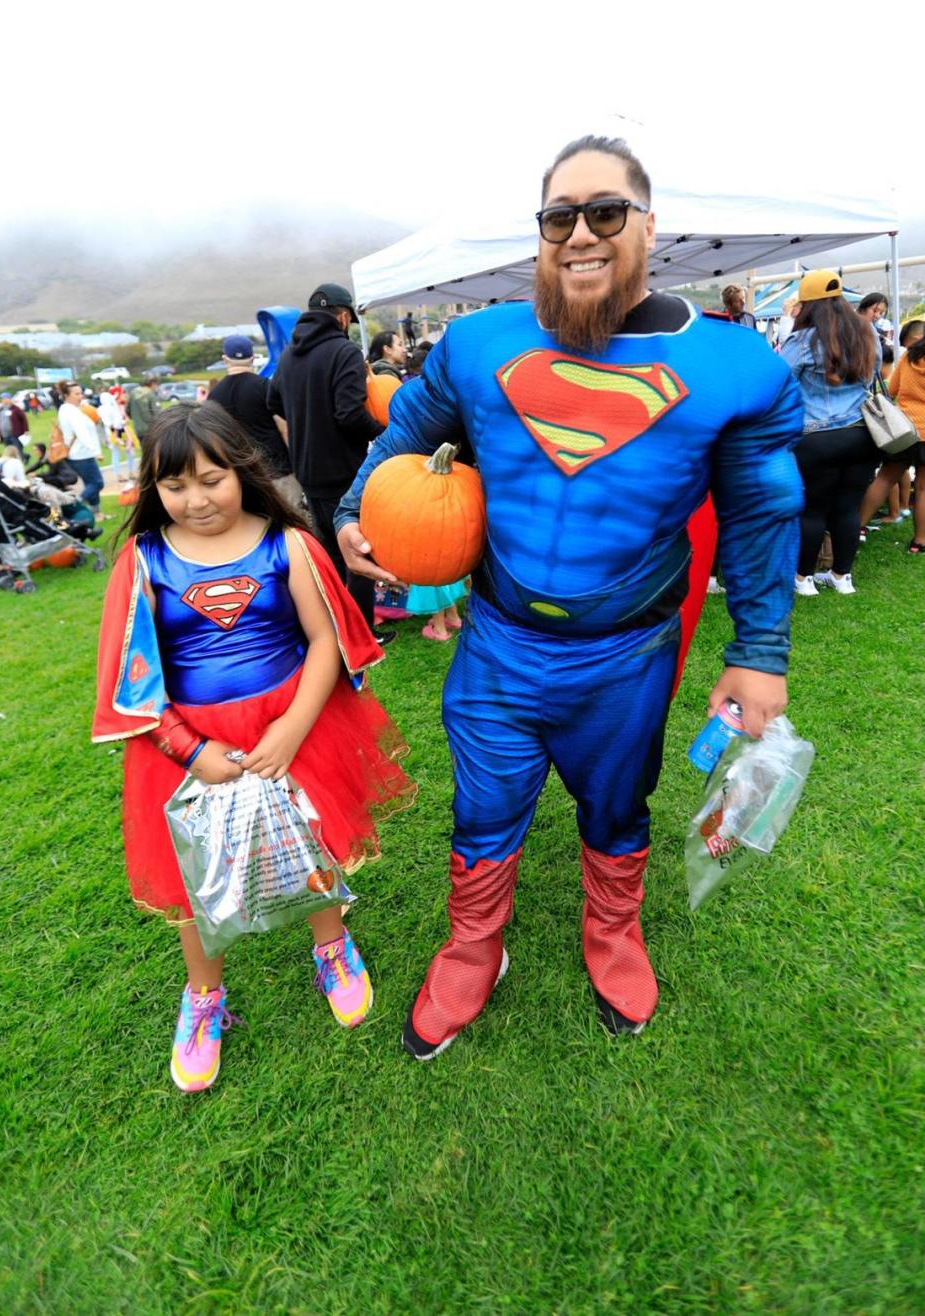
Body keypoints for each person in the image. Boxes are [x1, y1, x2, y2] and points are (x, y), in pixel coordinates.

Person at [336, 134, 804, 1058]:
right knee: (484, 807)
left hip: (625, 655)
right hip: (500, 647)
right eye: (559, 216)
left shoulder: (734, 366)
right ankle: (473, 947)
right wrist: (357, 512)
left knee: (618, 803)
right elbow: (402, 440)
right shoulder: (477, 344)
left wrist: (760, 653)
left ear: (648, 227)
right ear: (540, 233)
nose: (580, 233)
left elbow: (760, 518)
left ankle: (612, 934)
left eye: (605, 212)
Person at [91, 402, 413, 1092]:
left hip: (293, 727)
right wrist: (188, 749)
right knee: (192, 880)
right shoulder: (144, 561)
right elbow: (135, 680)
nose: (196, 499)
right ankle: (203, 997)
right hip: (189, 746)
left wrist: (293, 728)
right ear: (152, 489)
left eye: (211, 479)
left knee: (308, 845)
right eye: (174, 486)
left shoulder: (286, 544)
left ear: (242, 469)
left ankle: (332, 945)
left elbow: (325, 638)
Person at [267, 282, 393, 644]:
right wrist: (385, 432)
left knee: (334, 557)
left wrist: (303, 419)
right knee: (356, 550)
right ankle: (362, 632)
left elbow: (272, 403)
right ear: (342, 316)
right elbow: (349, 414)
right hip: (344, 470)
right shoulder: (344, 352)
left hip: (308, 470)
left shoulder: (289, 355)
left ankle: (339, 626)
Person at [780, 270, 880, 596]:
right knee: (848, 508)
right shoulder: (868, 333)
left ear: (807, 304)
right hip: (862, 434)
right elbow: (874, 375)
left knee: (813, 509)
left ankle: (804, 579)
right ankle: (841, 577)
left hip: (815, 437)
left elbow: (781, 381)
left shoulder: (803, 340)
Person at [208, 334, 303, 513]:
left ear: (224, 359)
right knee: (291, 523)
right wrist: (297, 461)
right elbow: (285, 428)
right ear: (252, 358)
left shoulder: (214, 396)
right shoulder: (265, 387)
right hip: (278, 470)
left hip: (240, 475)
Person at [883, 320, 925, 554]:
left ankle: (856, 528)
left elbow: (891, 391)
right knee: (923, 488)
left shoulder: (905, 360)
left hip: (905, 430)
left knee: (884, 479)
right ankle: (919, 542)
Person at [57, 380, 106, 520]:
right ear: (67, 395)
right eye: (77, 394)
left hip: (77, 453)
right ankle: (74, 504)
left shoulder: (67, 409)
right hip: (82, 454)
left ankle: (97, 513)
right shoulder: (71, 412)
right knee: (97, 483)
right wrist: (95, 451)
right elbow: (81, 433)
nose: (80, 396)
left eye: (81, 393)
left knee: (90, 483)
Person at [99, 387, 136, 483]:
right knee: (127, 450)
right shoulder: (113, 408)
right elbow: (117, 423)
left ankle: (122, 474)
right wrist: (124, 422)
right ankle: (129, 472)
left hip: (112, 433)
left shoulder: (101, 409)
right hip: (120, 432)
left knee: (118, 452)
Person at [127, 376, 161, 443]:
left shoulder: (133, 393)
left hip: (138, 429)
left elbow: (128, 411)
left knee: (145, 451)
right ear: (153, 384)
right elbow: (157, 414)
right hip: (151, 430)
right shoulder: (151, 395)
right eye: (157, 384)